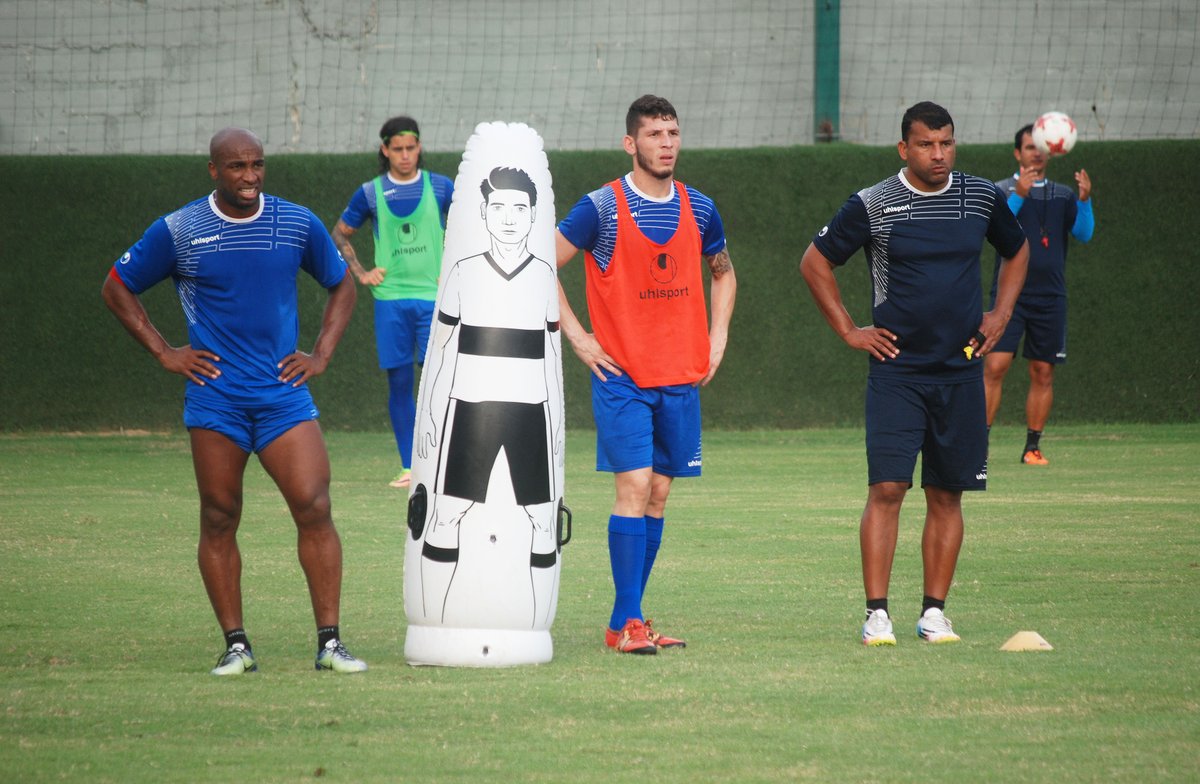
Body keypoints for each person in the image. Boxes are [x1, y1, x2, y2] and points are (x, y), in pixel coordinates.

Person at [101, 127, 368, 675]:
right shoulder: (179, 229)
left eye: (257, 165)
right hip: (216, 400)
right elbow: (116, 286)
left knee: (315, 506)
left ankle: (330, 643)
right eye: (237, 167)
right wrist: (164, 352)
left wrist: (320, 355)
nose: (250, 177)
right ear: (214, 170)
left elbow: (343, 285)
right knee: (219, 516)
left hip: (283, 397)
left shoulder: (296, 222)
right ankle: (237, 646)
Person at [799, 102, 1029, 647]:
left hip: (962, 372)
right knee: (887, 488)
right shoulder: (874, 203)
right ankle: (877, 615)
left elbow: (1017, 252)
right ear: (904, 148)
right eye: (926, 144)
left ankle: (934, 614)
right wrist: (849, 330)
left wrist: (1000, 314)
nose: (938, 154)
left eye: (946, 143)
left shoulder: (981, 197)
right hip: (896, 373)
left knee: (947, 494)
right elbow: (814, 261)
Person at [556, 95, 737, 655]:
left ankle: (625, 622)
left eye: (673, 133)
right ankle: (630, 623)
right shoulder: (600, 209)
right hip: (622, 378)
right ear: (630, 143)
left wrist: (718, 337)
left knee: (657, 494)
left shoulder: (700, 208)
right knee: (634, 487)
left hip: (679, 376)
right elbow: (540, 264)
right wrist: (578, 337)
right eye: (655, 134)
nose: (667, 143)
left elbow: (724, 273)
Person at [414, 166, 563, 627]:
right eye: (499, 207)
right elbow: (441, 350)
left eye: (519, 208)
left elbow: (551, 356)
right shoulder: (464, 272)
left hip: (530, 414)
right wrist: (431, 413)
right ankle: (434, 623)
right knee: (446, 514)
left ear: (533, 214)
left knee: (543, 520)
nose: (509, 217)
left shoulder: (543, 276)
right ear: (483, 212)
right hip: (470, 411)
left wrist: (556, 425)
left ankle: (534, 624)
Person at [333, 116, 454, 488]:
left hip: (434, 300)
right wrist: (362, 273)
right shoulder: (370, 193)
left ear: (419, 148)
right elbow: (340, 233)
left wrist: (453, 268)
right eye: (397, 149)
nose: (404, 155)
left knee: (439, 383)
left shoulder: (441, 187)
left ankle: (443, 465)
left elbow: (471, 225)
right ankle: (409, 467)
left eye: (410, 148)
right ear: (385, 150)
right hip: (391, 301)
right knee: (400, 383)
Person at [984, 124, 1094, 465]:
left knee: (1043, 371)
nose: (1037, 153)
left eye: (1042, 147)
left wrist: (1085, 201)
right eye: (1030, 147)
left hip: (1050, 297)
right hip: (1009, 296)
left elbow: (1084, 233)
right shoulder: (1002, 190)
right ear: (1018, 153)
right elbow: (994, 230)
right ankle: (977, 446)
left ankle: (1032, 447)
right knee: (995, 366)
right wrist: (1019, 194)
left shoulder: (1063, 195)